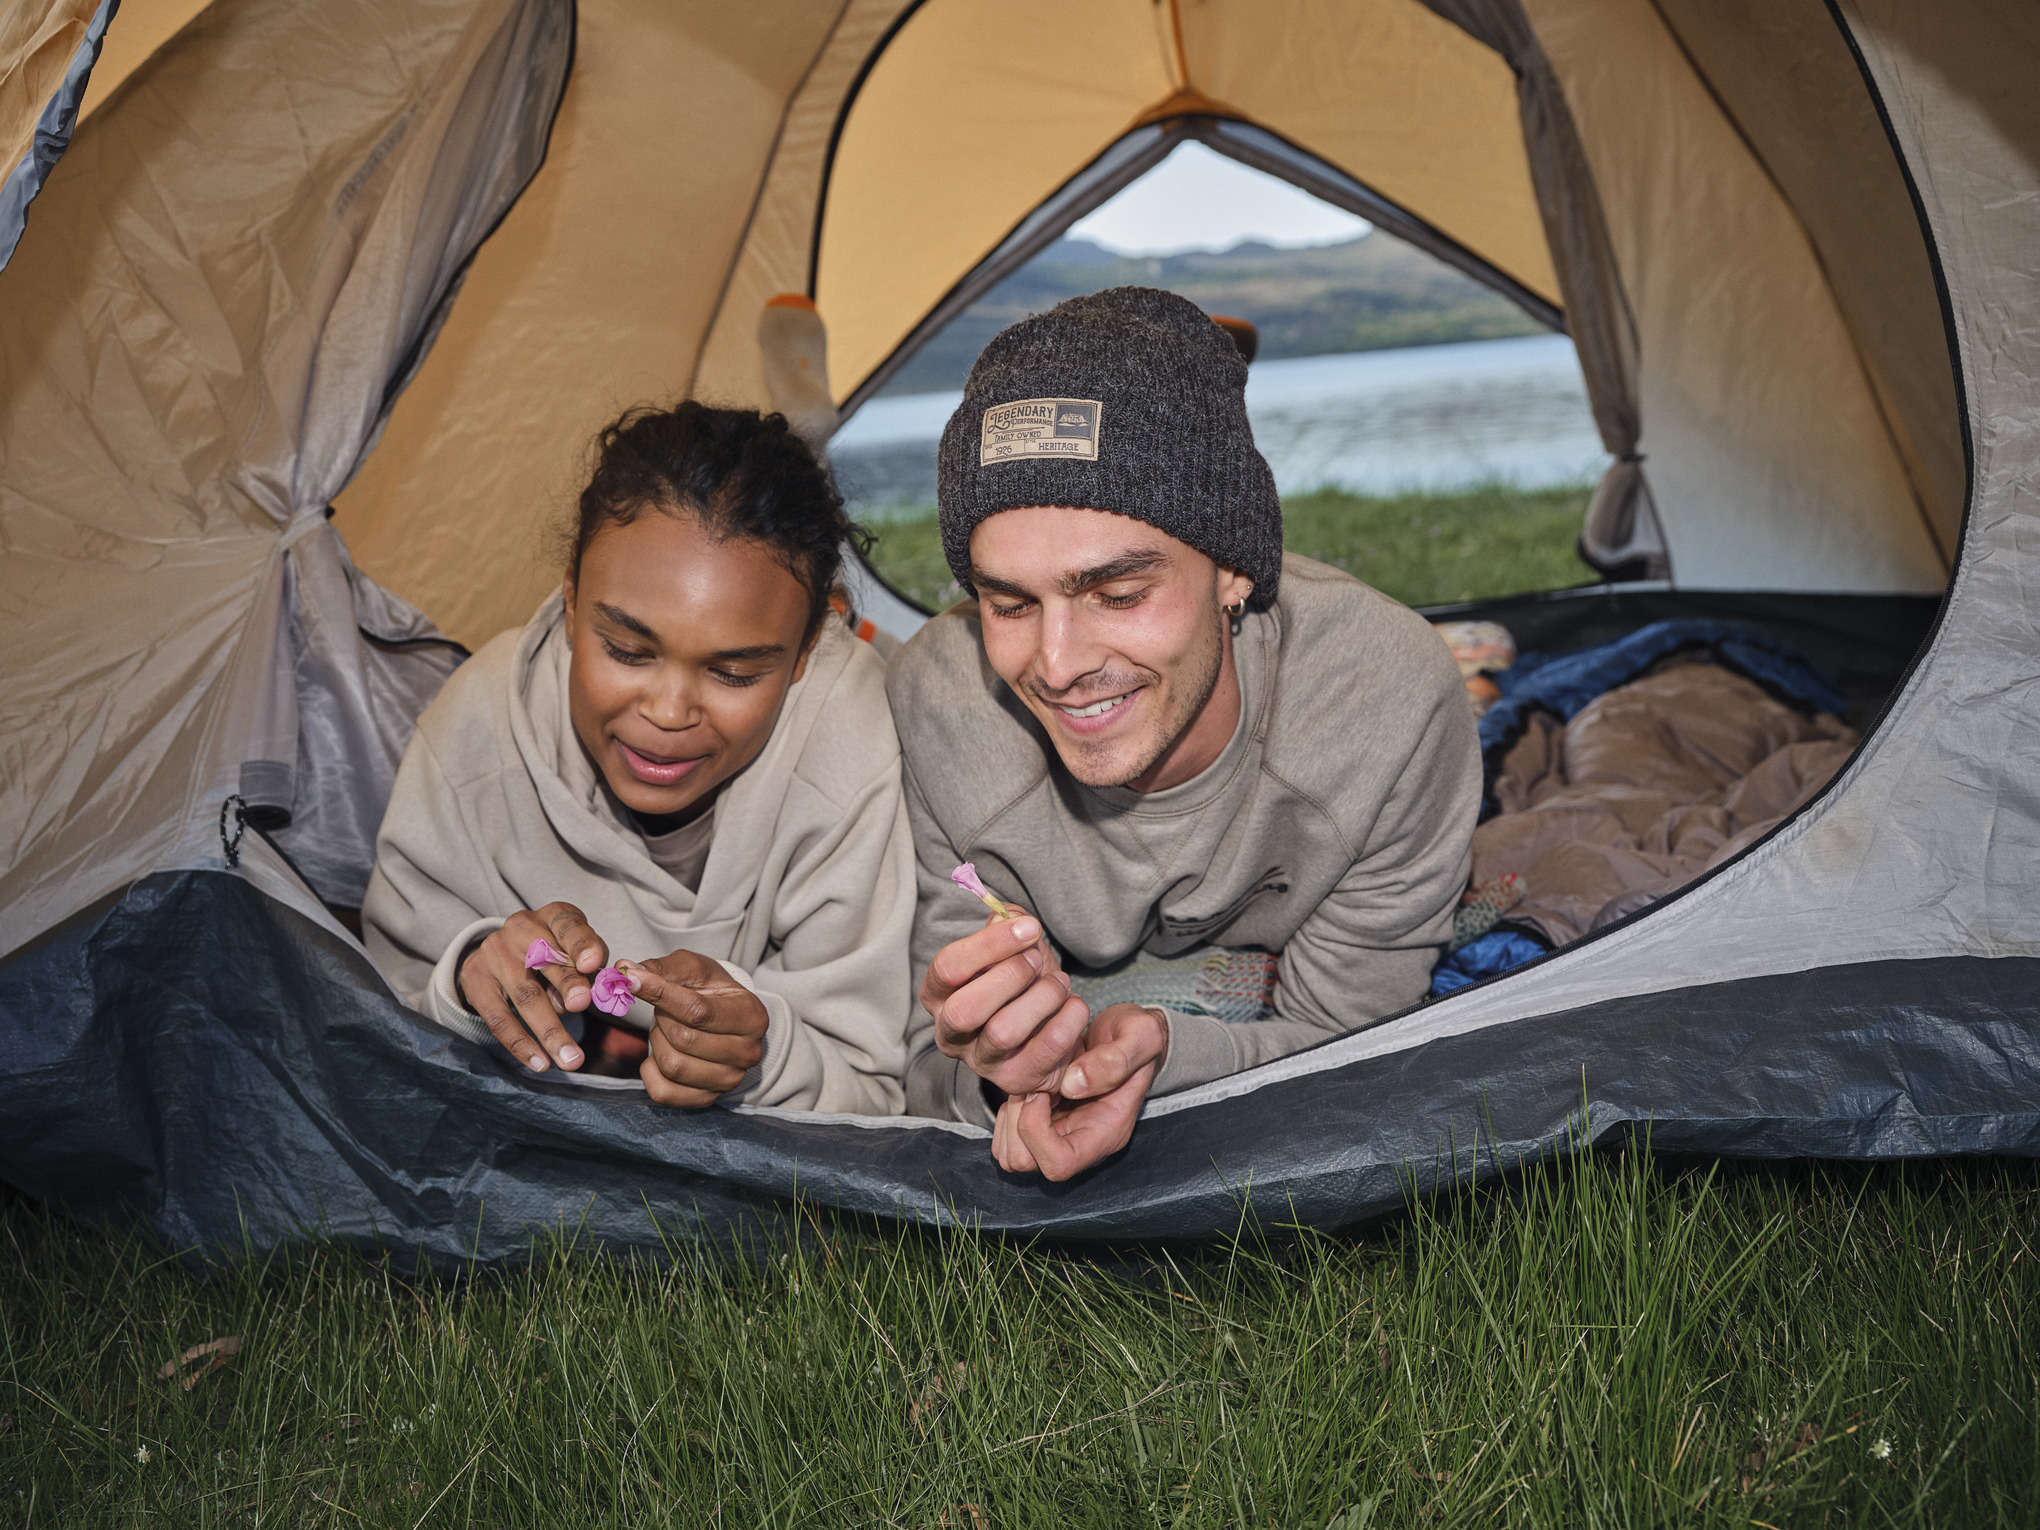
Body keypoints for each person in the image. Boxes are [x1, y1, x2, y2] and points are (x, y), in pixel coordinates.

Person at [888, 287, 1481, 1177]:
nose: (1056, 663)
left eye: (1118, 595)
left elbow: (1349, 1043)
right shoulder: (941, 708)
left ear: (1235, 569)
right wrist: (1000, 1075)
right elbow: (919, 1054)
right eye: (1007, 603)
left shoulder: (1387, 705)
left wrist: (1168, 1052)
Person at [363, 402, 914, 1113]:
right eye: (626, 650)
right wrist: (469, 972)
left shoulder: (846, 739)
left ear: (808, 650)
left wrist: (762, 1051)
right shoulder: (476, 730)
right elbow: (373, 1025)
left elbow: (873, 1089)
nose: (669, 712)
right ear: (569, 595)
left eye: (736, 673)